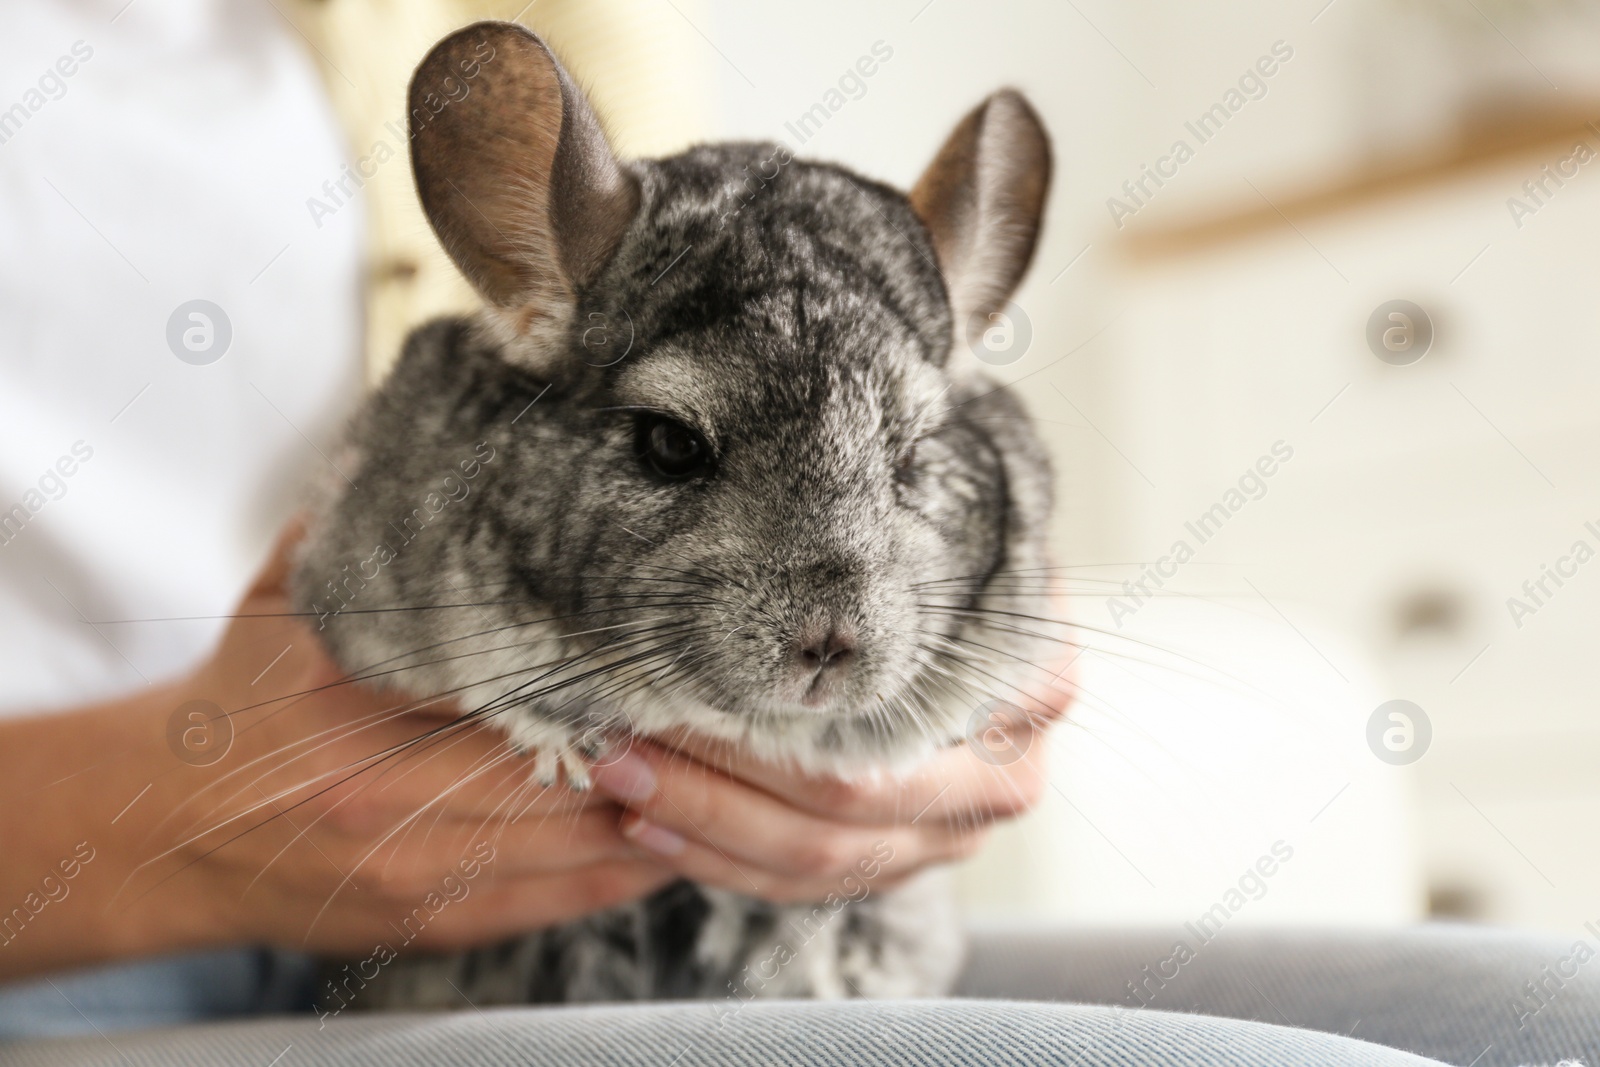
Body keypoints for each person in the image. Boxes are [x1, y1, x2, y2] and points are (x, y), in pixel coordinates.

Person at [0, 0, 1071, 1035]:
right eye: (674, 446)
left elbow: (743, 314)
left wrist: (979, 679)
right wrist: (183, 815)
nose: (827, 624)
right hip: (89, 962)